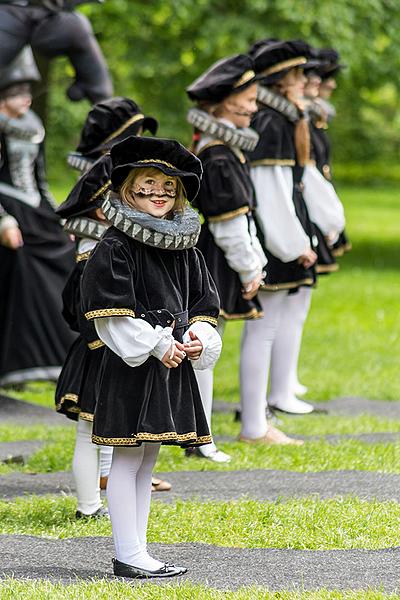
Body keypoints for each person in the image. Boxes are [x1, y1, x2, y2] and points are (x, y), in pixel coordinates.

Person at [80, 135, 222, 578]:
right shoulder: (115, 246)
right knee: (127, 456)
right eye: (147, 184)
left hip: (172, 365)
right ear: (127, 190)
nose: (159, 193)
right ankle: (127, 553)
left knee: (148, 457)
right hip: (134, 367)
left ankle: (139, 549)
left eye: (168, 186)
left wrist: (198, 336)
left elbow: (203, 306)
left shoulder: (187, 249)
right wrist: (157, 344)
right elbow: (112, 318)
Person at [56, 99, 169, 521]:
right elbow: (77, 307)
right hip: (97, 350)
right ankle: (88, 506)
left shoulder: (122, 244)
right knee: (89, 432)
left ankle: (104, 493)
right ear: (102, 207)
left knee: (110, 430)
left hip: (121, 348)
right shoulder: (95, 249)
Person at [239, 39, 320, 425]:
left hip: (282, 232)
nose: (305, 80)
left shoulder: (279, 118)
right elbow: (270, 192)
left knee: (275, 321)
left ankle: (269, 405)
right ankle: (257, 416)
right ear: (282, 79)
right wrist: (293, 244)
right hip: (275, 237)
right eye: (298, 74)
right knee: (265, 325)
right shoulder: (271, 122)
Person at [0, 47, 75, 387]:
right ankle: (17, 362)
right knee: (22, 266)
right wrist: (4, 219)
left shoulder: (33, 125)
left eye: (29, 91)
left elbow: (41, 180)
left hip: (34, 211)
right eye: (19, 92)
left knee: (64, 254)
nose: (27, 98)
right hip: (8, 210)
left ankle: (61, 355)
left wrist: (60, 218)